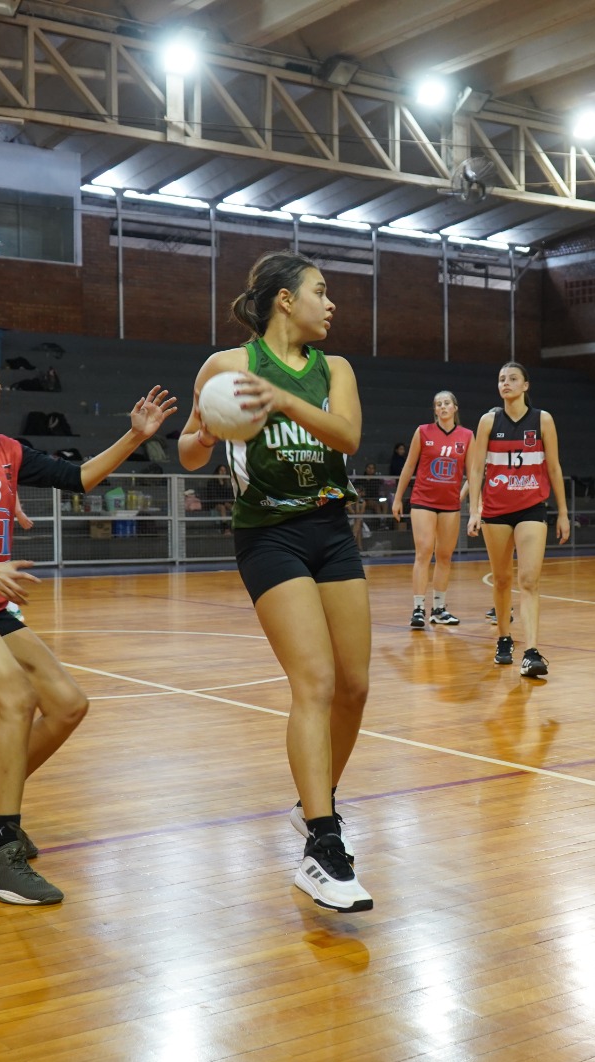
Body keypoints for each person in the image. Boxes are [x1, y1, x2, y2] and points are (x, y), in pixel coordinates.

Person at [0, 337, 176, 906]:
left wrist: (135, 438)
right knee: (17, 699)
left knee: (69, 703)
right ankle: (0, 855)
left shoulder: (6, 450)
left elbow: (79, 478)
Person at [177, 249, 372, 914]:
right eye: (321, 291)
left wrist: (287, 400)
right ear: (286, 300)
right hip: (268, 535)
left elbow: (346, 436)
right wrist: (206, 434)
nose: (331, 303)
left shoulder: (334, 369)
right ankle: (322, 844)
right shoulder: (228, 369)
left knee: (355, 686)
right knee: (314, 682)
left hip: (331, 529)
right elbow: (188, 446)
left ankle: (311, 804)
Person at [466, 363, 571, 678]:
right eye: (501, 379)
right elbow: (474, 469)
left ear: (526, 385)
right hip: (496, 510)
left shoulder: (543, 420)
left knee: (529, 580)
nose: (506, 383)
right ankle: (503, 638)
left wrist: (563, 512)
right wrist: (475, 509)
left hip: (532, 508)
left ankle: (532, 651)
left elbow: (553, 467)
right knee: (501, 580)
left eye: (512, 379)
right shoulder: (488, 421)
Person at [392, 390, 473, 629]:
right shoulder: (423, 432)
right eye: (438, 404)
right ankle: (418, 608)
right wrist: (398, 498)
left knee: (445, 556)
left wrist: (468, 499)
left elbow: (474, 473)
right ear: (435, 410)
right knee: (424, 551)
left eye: (447, 403)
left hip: (450, 504)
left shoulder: (467, 436)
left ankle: (439, 609)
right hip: (423, 501)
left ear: (455, 408)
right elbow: (408, 467)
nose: (443, 407)